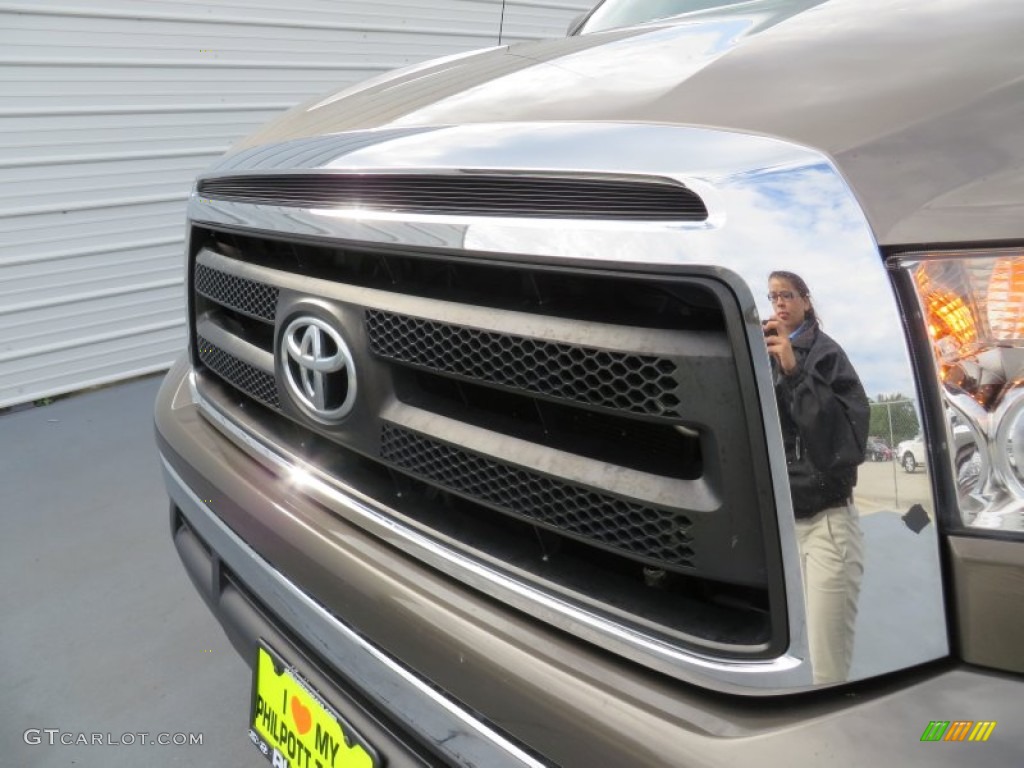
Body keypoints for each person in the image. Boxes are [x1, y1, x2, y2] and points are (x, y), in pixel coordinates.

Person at [764, 271, 869, 684]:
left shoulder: (826, 354)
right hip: (783, 529)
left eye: (787, 295)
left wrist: (795, 373)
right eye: (772, 297)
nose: (779, 305)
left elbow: (841, 443)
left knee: (828, 668)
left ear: (806, 301)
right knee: (792, 656)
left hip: (826, 526)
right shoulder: (766, 356)